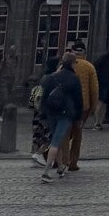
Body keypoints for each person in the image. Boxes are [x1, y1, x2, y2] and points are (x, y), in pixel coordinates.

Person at [38, 51, 82, 183]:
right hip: (65, 113)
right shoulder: (74, 78)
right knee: (56, 141)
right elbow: (78, 100)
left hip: (51, 112)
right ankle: (46, 172)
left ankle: (60, 167)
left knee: (56, 138)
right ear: (72, 63)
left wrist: (43, 111)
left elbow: (44, 95)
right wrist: (78, 117)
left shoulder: (52, 77)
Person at [64, 41, 99, 170]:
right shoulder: (89, 67)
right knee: (77, 134)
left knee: (65, 132)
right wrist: (93, 107)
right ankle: (73, 162)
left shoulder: (64, 65)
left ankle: (62, 159)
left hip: (66, 104)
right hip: (83, 106)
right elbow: (94, 90)